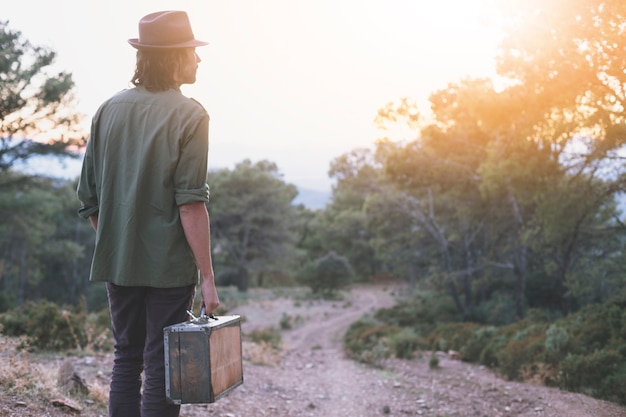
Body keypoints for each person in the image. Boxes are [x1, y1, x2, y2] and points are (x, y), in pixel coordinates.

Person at [76, 10, 220, 417]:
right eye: (192, 51)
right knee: (160, 365)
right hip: (169, 269)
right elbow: (191, 203)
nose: (198, 59)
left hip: (118, 264)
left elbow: (89, 197)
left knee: (126, 359)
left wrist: (119, 242)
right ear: (175, 57)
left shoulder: (107, 110)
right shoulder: (192, 115)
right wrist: (208, 279)